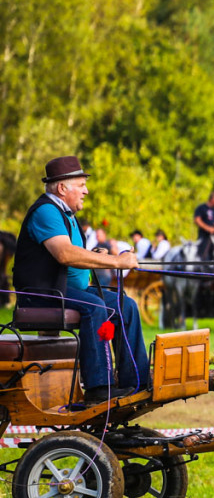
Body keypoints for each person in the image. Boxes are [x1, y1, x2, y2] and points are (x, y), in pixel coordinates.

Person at [12, 156, 149, 404]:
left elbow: (74, 255)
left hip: (65, 291)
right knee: (95, 307)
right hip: (42, 295)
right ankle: (99, 389)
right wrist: (117, 262)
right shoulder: (46, 211)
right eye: (81, 184)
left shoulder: (68, 215)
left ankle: (136, 383)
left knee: (125, 305)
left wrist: (97, 257)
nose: (86, 190)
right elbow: (64, 254)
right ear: (62, 188)